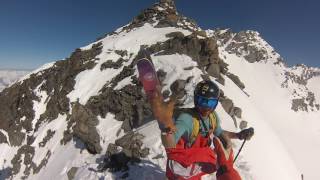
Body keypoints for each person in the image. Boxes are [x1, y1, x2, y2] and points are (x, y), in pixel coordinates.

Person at [149, 80, 254, 180]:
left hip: (195, 168)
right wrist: (166, 127)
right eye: (202, 101)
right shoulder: (186, 119)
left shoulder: (213, 117)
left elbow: (219, 133)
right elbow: (170, 144)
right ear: (195, 100)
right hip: (181, 170)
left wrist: (238, 135)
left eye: (211, 103)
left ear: (216, 103)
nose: (206, 108)